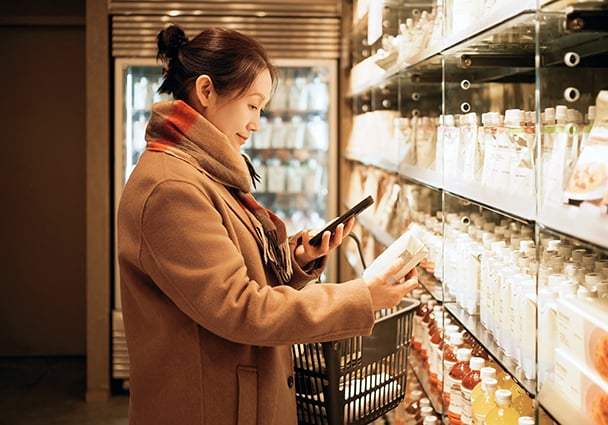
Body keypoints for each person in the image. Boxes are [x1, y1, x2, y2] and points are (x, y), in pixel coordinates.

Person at [117, 24, 419, 425]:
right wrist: (361, 297)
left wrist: (295, 260)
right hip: (209, 407)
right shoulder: (172, 188)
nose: (257, 122)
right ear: (206, 91)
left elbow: (232, 281)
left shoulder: (202, 172)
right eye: (253, 105)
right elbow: (239, 308)